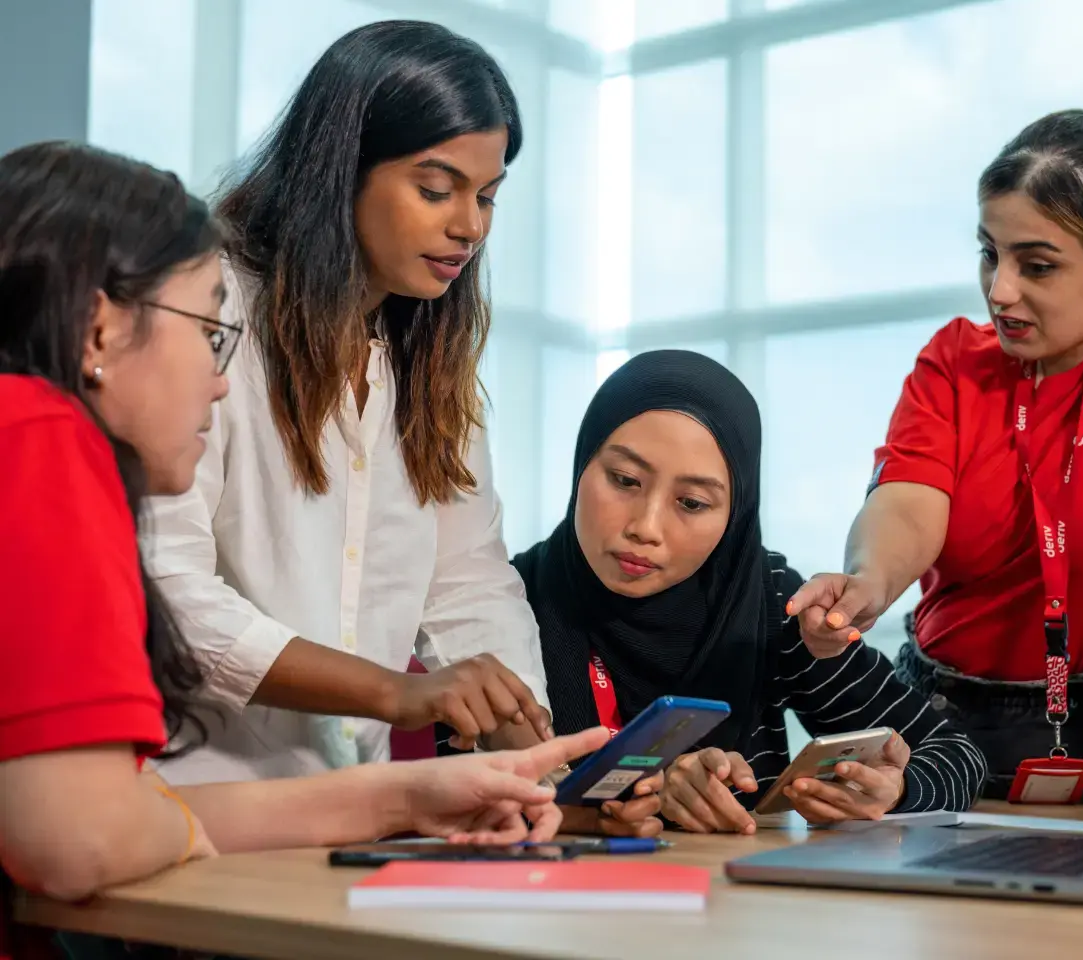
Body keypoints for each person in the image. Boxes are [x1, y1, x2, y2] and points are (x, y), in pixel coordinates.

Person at [0, 142, 608, 960]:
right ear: (102, 327)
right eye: (211, 333)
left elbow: (119, 816)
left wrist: (406, 793)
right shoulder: (37, 438)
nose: (220, 379)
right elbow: (80, 839)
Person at [143, 20, 553, 788]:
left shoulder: (428, 357)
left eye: (488, 197)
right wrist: (393, 692)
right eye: (436, 189)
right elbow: (171, 594)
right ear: (341, 168)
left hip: (346, 809)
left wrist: (536, 749)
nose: (469, 226)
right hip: (194, 803)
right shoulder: (215, 306)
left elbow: (468, 581)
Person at [791, 109, 1083, 807]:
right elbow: (910, 500)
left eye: (1036, 265)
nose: (1000, 290)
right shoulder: (955, 357)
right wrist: (868, 584)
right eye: (990, 252)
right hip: (941, 726)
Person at [512, 350, 986, 836]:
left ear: (735, 514)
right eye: (625, 480)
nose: (645, 527)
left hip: (746, 903)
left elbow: (956, 756)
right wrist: (648, 794)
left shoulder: (769, 601)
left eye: (692, 503)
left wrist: (894, 789)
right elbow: (455, 787)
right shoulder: (500, 601)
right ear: (582, 464)